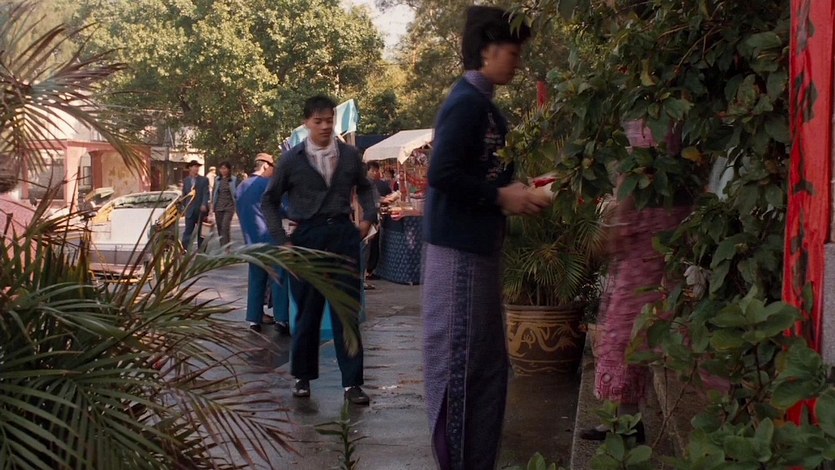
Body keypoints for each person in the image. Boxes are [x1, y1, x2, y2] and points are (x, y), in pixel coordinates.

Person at [421, 7, 548, 469]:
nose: (517, 62)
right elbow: (442, 173)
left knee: (487, 369)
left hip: (476, 251)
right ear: (487, 51)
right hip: (459, 257)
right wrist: (500, 197)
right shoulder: (467, 103)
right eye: (512, 53)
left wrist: (518, 192)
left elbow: (478, 173)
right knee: (463, 367)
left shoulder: (485, 104)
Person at [262, 94, 377, 406]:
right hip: (306, 238)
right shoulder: (292, 159)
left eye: (329, 120)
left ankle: (352, 383)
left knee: (346, 312)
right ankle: (302, 376)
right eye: (318, 121)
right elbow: (269, 201)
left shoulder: (350, 155)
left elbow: (366, 188)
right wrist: (282, 240)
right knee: (307, 312)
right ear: (307, 123)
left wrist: (368, 218)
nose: (325, 126)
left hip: (342, 235)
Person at [235, 153, 290, 334]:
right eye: (274, 168)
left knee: (256, 280)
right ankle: (281, 319)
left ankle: (254, 318)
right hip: (271, 239)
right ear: (266, 166)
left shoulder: (241, 187)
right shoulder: (269, 185)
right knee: (278, 278)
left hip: (251, 241)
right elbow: (285, 209)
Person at [364, 161, 391, 284]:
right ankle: (365, 273)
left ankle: (367, 272)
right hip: (368, 218)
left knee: (372, 245)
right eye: (372, 170)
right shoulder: (365, 184)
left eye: (376, 171)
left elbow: (377, 199)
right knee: (368, 245)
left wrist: (385, 199)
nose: (375, 173)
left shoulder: (372, 184)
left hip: (373, 216)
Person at [181, 159, 210, 250]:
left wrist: (204, 204)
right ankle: (185, 250)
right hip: (189, 210)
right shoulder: (186, 180)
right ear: (190, 168)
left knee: (202, 232)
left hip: (201, 210)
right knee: (188, 231)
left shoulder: (204, 180)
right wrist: (184, 207)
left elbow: (206, 193)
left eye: (198, 167)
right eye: (195, 166)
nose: (196, 168)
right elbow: (184, 195)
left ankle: (202, 250)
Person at [212, 161, 238, 247]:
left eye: (225, 168)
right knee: (220, 227)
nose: (223, 170)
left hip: (229, 207)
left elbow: (237, 193)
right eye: (221, 168)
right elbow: (214, 193)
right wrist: (211, 207)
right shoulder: (217, 179)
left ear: (229, 169)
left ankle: (227, 248)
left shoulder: (234, 180)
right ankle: (222, 246)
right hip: (218, 206)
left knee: (225, 227)